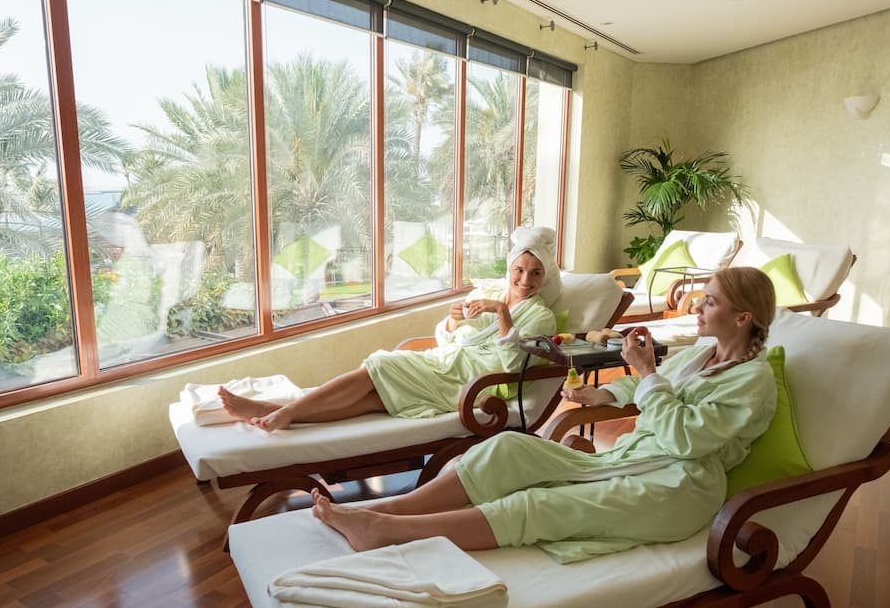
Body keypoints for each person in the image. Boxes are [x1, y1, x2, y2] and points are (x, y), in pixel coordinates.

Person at [310, 266, 778, 563]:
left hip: (676, 486)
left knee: (542, 505)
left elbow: (686, 440)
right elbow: (649, 387)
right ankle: (384, 508)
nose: (697, 306)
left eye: (710, 301)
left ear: (742, 318)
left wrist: (648, 373)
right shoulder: (700, 354)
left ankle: (390, 532)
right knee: (508, 448)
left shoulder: (752, 382)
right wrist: (606, 393)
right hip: (631, 459)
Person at [219, 226, 562, 431]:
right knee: (373, 400)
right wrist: (453, 320)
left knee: (380, 365)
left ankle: (286, 411)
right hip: (442, 364)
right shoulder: (485, 292)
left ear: (544, 277)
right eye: (519, 270)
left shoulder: (541, 316)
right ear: (510, 269)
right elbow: (447, 338)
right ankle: (274, 412)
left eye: (535, 273)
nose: (525, 280)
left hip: (471, 383)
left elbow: (514, 367)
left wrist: (502, 314)